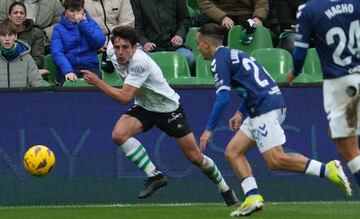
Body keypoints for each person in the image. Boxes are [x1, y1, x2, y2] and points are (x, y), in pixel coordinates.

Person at [196, 23, 352, 217]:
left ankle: (327, 169)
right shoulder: (235, 54)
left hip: (264, 107)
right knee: (233, 152)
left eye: (197, 43)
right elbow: (251, 84)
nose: (196, 48)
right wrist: (240, 112)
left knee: (276, 160)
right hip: (265, 103)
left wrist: (209, 129)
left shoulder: (218, 60)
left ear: (205, 44)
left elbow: (223, 97)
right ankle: (253, 197)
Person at [82, 25, 239, 206]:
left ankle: (225, 190)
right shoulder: (112, 51)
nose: (120, 52)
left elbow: (124, 97)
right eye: (117, 47)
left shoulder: (140, 62)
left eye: (125, 47)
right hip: (144, 106)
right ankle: (154, 175)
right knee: (119, 135)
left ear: (135, 48)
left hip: (168, 109)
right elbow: (99, 37)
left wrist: (97, 82)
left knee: (195, 157)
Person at [287, 0, 360, 189]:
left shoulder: (309, 9)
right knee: (340, 143)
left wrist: (294, 71)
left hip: (342, 83)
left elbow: (300, 52)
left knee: (350, 150)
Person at [130, 0, 195, 74]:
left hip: (173, 47)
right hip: (149, 47)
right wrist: (145, 42)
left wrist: (180, 35)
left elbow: (184, 19)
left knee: (189, 58)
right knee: (138, 61)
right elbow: (137, 27)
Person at [50, 0, 106, 84]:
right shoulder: (58, 29)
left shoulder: (91, 23)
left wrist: (83, 24)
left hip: (90, 66)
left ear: (83, 10)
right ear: (66, 12)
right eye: (72, 11)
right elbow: (57, 52)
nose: (76, 14)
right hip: (68, 66)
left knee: (95, 90)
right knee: (69, 88)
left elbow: (99, 42)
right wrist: (67, 71)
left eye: (78, 10)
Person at [6, 2, 48, 77]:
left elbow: (38, 61)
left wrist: (17, 69)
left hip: (29, 74)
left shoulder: (36, 33)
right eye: (15, 13)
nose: (18, 15)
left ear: (25, 17)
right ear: (9, 16)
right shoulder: (2, 32)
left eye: (21, 13)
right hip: (5, 73)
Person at [0, 21, 46, 88]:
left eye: (10, 35)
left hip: (21, 97)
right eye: (3, 35)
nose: (7, 39)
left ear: (15, 36)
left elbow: (37, 83)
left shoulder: (26, 58)